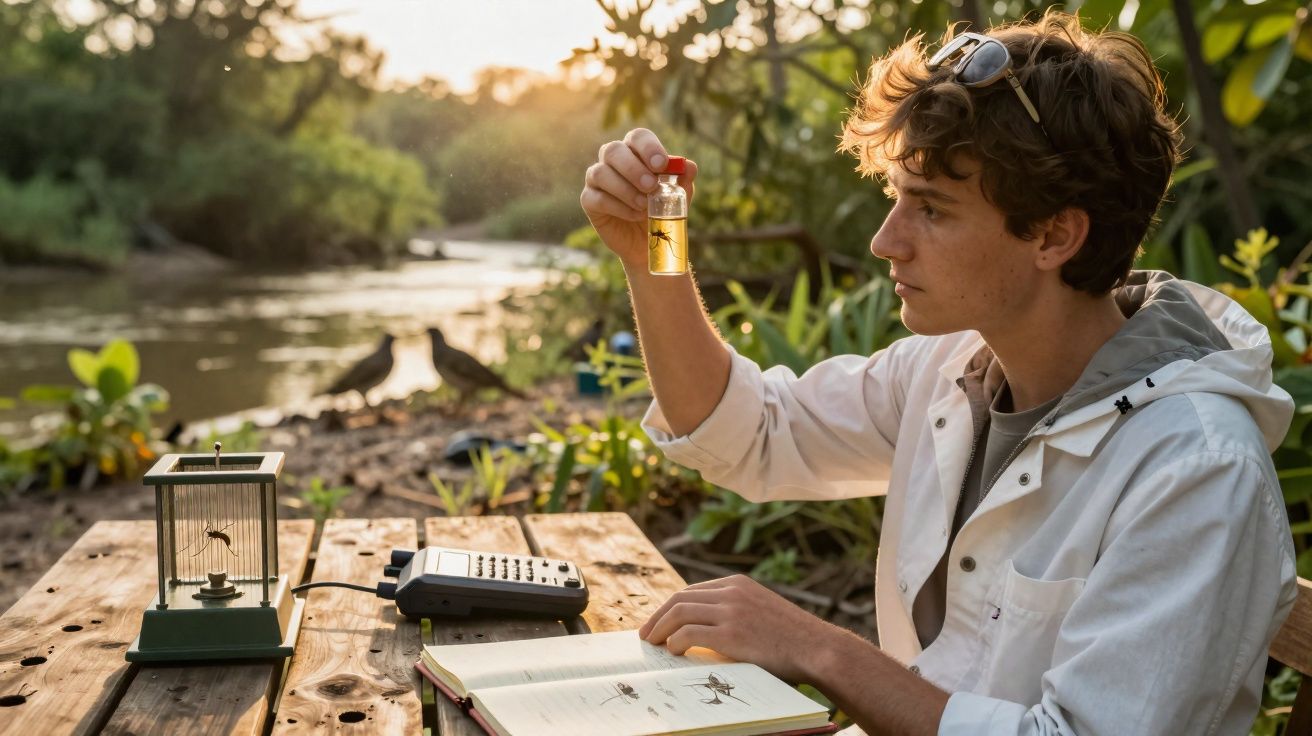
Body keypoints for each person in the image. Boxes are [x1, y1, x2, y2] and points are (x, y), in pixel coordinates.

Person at [579, 9, 1297, 736]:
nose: (885, 240)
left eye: (931, 209)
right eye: (896, 197)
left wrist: (817, 649)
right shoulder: (955, 366)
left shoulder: (1198, 468)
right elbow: (752, 431)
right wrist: (654, 255)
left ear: (1054, 234)